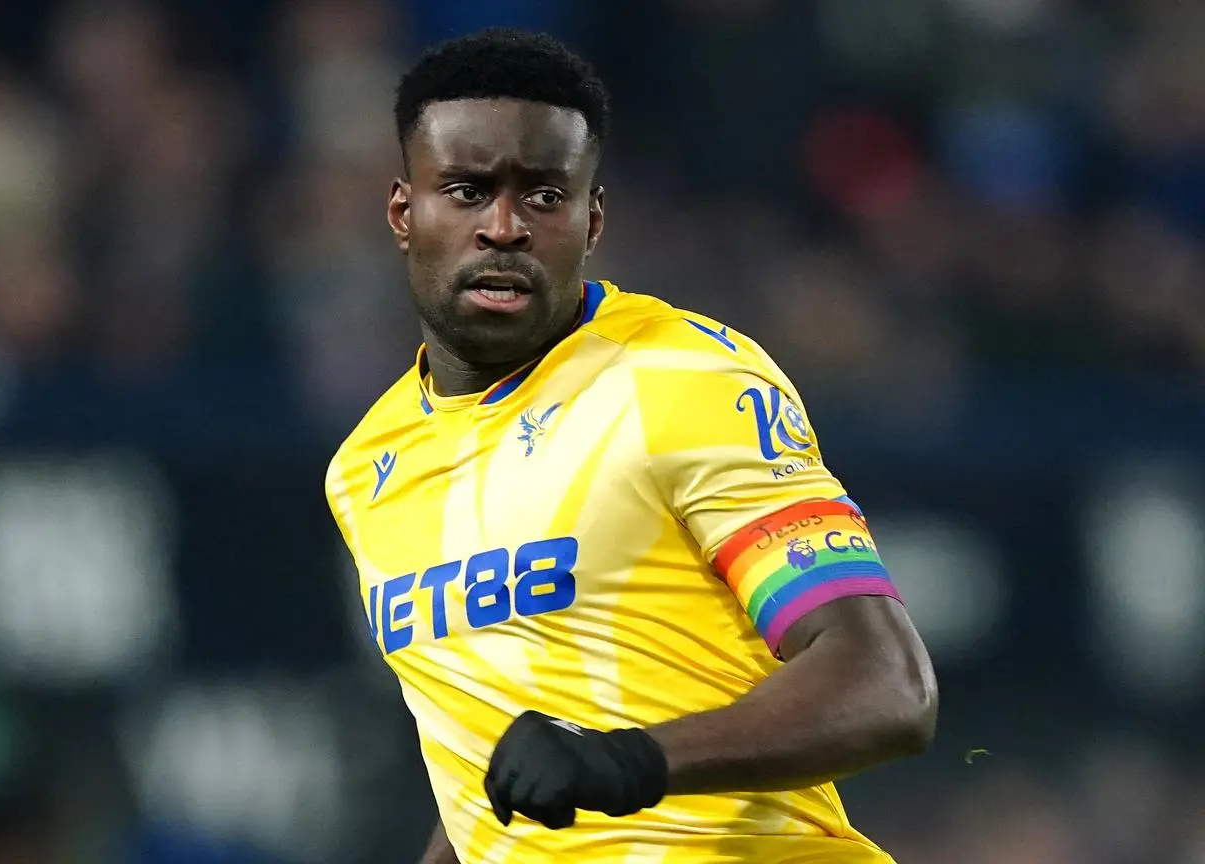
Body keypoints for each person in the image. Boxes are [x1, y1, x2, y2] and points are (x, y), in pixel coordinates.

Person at [326, 27, 938, 864]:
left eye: (544, 195)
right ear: (406, 213)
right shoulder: (367, 469)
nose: (504, 226)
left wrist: (629, 762)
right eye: (467, 191)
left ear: (592, 217)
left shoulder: (681, 379)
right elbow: (485, 790)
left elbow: (888, 686)